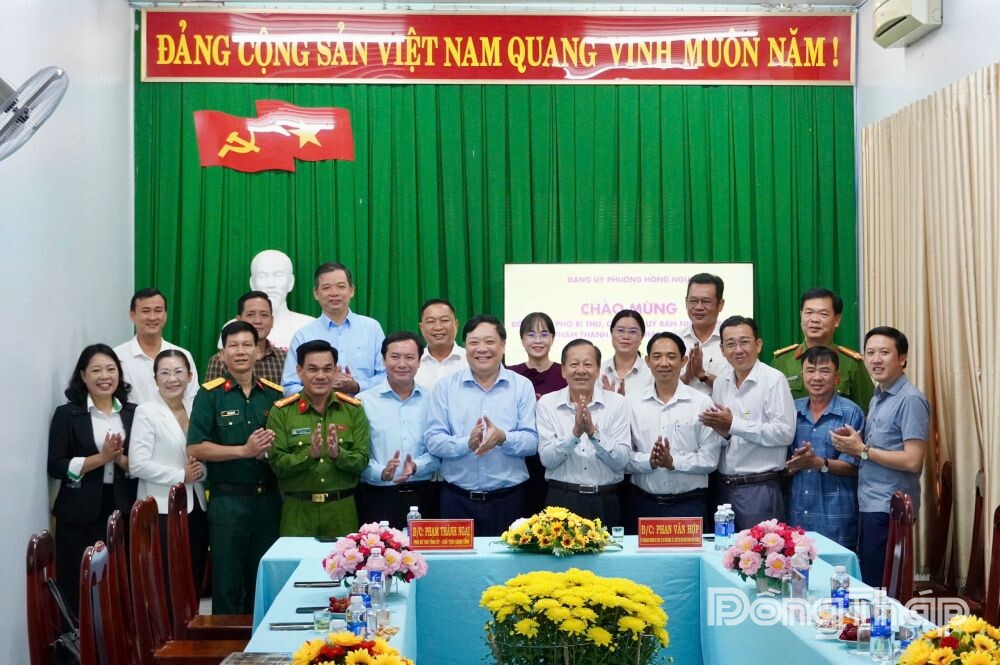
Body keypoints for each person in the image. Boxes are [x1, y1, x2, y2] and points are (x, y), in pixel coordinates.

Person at [187, 321, 283, 614]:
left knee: (264, 581)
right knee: (227, 583)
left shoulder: (274, 395)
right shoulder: (210, 395)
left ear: (258, 351)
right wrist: (244, 451)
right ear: (223, 354)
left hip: (268, 502)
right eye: (233, 345)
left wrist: (268, 454)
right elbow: (196, 447)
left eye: (246, 345)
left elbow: (284, 443)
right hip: (228, 502)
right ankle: (225, 642)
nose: (240, 351)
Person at [831, 326, 930, 586]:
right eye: (870, 352)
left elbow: (913, 460)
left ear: (902, 358)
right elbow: (881, 446)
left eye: (884, 353)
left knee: (882, 587)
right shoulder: (878, 397)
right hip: (870, 502)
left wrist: (862, 450)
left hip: (890, 508)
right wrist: (856, 441)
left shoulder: (910, 399)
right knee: (871, 581)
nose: (876, 359)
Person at [426, 315, 538, 536]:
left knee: (509, 559)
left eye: (489, 341)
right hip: (456, 500)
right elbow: (433, 440)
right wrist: (466, 444)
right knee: (457, 559)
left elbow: (532, 442)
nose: (482, 349)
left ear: (503, 345)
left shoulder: (522, 386)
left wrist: (503, 438)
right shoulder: (445, 387)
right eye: (474, 342)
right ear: (465, 346)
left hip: (509, 500)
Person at [47, 344, 138, 612]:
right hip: (79, 511)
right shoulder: (68, 414)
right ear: (83, 376)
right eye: (96, 370)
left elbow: (141, 462)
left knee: (120, 582)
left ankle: (117, 637)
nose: (105, 376)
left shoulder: (133, 413)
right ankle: (76, 636)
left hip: (123, 507)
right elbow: (56, 466)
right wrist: (101, 457)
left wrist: (120, 459)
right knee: (77, 581)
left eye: (111, 369)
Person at [699, 315, 796, 530]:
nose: (738, 350)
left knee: (760, 550)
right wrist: (724, 431)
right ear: (722, 350)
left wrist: (734, 424)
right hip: (724, 488)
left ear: (758, 344)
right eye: (730, 344)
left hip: (760, 488)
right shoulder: (721, 382)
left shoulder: (773, 379)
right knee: (723, 550)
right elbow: (726, 435)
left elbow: (784, 432)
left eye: (744, 342)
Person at [269, 339, 370, 537]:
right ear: (299, 371)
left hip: (342, 511)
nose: (321, 376)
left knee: (346, 558)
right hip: (298, 512)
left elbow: (362, 461)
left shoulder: (353, 410)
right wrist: (309, 455)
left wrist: (338, 454)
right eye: (312, 369)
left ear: (336, 371)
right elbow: (277, 464)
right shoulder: (281, 412)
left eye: (327, 369)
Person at [128, 349, 209, 590]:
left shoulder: (196, 410)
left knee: (193, 576)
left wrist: (200, 472)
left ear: (190, 376)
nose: (172, 379)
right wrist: (181, 475)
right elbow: (137, 464)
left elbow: (201, 456)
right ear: (155, 379)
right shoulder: (146, 412)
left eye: (178, 372)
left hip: (196, 505)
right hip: (160, 508)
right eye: (164, 373)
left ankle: (191, 616)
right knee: (166, 581)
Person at [626, 332, 722, 531]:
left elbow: (710, 459)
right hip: (644, 504)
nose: (664, 363)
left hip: (689, 505)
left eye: (671, 356)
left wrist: (673, 462)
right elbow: (622, 457)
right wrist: (650, 461)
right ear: (647, 361)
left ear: (683, 361)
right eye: (657, 356)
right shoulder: (631, 403)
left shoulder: (702, 403)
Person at [536, 339, 630, 526]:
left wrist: (593, 434)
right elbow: (547, 459)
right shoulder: (547, 403)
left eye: (587, 364)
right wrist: (575, 435)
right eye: (574, 364)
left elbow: (622, 460)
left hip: (605, 499)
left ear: (598, 369)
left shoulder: (617, 403)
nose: (581, 370)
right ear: (563, 370)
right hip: (561, 500)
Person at [785, 346, 864, 550]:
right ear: (803, 375)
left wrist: (818, 463)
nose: (817, 377)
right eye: (810, 370)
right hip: (797, 513)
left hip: (836, 515)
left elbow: (854, 467)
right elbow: (781, 464)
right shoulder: (791, 410)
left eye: (825, 371)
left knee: (838, 567)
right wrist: (795, 464)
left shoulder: (850, 413)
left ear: (837, 377)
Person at [358, 332, 440, 527]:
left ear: (419, 362)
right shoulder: (363, 402)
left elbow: (439, 449)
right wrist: (381, 472)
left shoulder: (433, 400)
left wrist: (417, 466)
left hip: (424, 495)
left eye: (409, 357)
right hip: (377, 497)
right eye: (395, 357)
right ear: (383, 360)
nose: (402, 364)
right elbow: (357, 453)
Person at [281, 262, 385, 396]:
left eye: (341, 287)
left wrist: (357, 386)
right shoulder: (303, 336)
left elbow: (387, 376)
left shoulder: (372, 329)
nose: (334, 293)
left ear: (351, 290)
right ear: (316, 293)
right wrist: (323, 388)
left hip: (364, 407)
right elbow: (289, 387)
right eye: (326, 288)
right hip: (318, 409)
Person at [772, 288, 875, 412]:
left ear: (837, 320)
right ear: (801, 316)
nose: (814, 319)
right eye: (809, 313)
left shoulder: (851, 363)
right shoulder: (781, 361)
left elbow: (868, 411)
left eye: (823, 314)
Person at [507, 312, 567, 515]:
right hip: (520, 461)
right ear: (522, 340)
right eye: (531, 334)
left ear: (553, 338)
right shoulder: (510, 374)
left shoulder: (565, 373)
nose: (538, 340)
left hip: (556, 459)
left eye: (544, 334)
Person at [114, 288, 198, 405]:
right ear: (132, 315)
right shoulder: (117, 357)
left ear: (165, 315)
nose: (152, 317)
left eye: (158, 311)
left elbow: (192, 400)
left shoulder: (183, 355)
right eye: (145, 311)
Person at [206, 291, 287, 385]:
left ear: (272, 321)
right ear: (238, 320)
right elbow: (211, 394)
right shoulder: (220, 360)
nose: (258, 321)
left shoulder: (284, 358)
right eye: (250, 314)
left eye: (264, 315)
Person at [248, 249, 314, 349]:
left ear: (291, 282)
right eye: (262, 276)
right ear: (252, 284)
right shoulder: (233, 328)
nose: (271, 284)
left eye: (278, 275)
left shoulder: (310, 327)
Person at [675, 273, 727, 397]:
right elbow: (660, 388)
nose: (698, 307)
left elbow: (741, 388)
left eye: (706, 301)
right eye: (693, 301)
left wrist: (703, 375)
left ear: (720, 305)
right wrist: (686, 377)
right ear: (686, 302)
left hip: (721, 409)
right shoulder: (673, 341)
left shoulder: (732, 341)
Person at [414, 299, 468, 389]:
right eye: (431, 321)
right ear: (421, 328)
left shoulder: (470, 360)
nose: (438, 327)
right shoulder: (412, 362)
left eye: (444, 320)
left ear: (456, 325)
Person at [600, 309, 653, 396]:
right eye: (620, 330)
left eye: (633, 332)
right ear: (611, 333)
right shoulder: (598, 371)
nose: (626, 336)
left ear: (642, 336)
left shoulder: (651, 373)